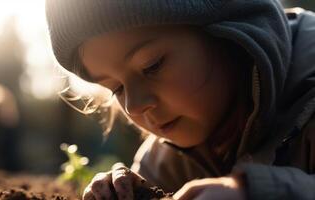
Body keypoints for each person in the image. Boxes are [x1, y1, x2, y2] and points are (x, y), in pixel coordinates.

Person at [45, 0, 315, 199]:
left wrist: (256, 193)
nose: (134, 106)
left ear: (231, 30)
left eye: (152, 66)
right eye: (116, 89)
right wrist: (129, 192)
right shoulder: (166, 160)